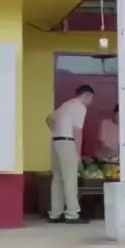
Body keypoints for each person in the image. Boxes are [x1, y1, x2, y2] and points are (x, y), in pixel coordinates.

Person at [46, 85, 94, 224]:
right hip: (67, 142)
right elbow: (78, 132)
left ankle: (55, 213)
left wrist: (58, 130)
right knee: (70, 178)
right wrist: (78, 153)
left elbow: (49, 119)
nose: (91, 101)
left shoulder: (65, 105)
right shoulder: (80, 107)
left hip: (55, 142)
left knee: (57, 179)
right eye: (91, 98)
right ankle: (72, 214)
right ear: (86, 95)